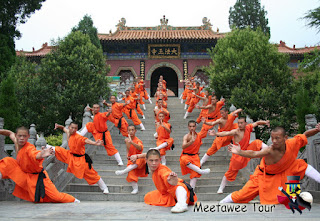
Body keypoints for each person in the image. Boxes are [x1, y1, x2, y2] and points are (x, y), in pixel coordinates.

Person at [220, 124, 320, 204]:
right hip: (264, 175)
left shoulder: (292, 143)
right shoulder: (270, 150)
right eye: (272, 138)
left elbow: (305, 134)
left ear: (285, 138)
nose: (274, 141)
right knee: (242, 195)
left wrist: (317, 130)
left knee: (299, 165)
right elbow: (255, 153)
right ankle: (224, 201)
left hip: (285, 170)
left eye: (277, 138)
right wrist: (240, 152)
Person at [0, 127, 78, 203]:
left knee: (56, 197)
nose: (21, 138)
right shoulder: (16, 141)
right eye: (19, 136)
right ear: (16, 135)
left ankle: (73, 199)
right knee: (7, 161)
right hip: (25, 175)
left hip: (39, 177)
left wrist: (41, 154)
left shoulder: (29, 148)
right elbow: (9, 133)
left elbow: (34, 155)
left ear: (28, 137)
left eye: (24, 136)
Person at [207, 117, 270, 193]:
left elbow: (257, 123)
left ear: (245, 123)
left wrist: (265, 122)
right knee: (230, 173)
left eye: (241, 123)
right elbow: (226, 133)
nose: (239, 125)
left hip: (246, 151)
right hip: (237, 156)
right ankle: (221, 188)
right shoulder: (236, 131)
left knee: (256, 142)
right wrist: (216, 133)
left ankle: (268, 149)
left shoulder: (248, 127)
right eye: (239, 123)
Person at [132, 149, 197, 213]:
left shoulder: (162, 170)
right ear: (146, 160)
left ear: (160, 160)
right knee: (148, 196)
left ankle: (182, 204)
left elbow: (165, 175)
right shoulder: (152, 161)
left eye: (156, 160)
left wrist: (171, 180)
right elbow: (150, 154)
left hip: (181, 191)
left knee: (178, 186)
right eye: (151, 160)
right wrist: (137, 156)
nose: (154, 163)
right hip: (166, 193)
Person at [54, 122, 110, 194]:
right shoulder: (68, 132)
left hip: (81, 159)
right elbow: (63, 128)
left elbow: (86, 140)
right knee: (59, 150)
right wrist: (58, 126)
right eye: (72, 128)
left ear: (77, 129)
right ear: (69, 128)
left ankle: (104, 187)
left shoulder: (78, 136)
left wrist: (95, 143)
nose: (74, 129)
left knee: (92, 173)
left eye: (75, 128)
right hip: (71, 155)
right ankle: (46, 147)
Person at [114, 125, 148, 194]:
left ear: (135, 131)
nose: (131, 131)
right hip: (131, 160)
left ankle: (123, 171)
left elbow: (140, 148)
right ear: (127, 131)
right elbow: (127, 148)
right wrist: (127, 154)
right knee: (131, 175)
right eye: (129, 130)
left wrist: (132, 142)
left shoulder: (138, 140)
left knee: (137, 161)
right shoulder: (126, 140)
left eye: (132, 130)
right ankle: (135, 189)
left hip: (139, 159)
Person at [180, 120, 211, 189]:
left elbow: (198, 144)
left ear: (195, 127)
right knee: (183, 159)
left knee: (195, 175)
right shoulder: (186, 136)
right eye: (190, 126)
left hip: (195, 156)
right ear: (188, 127)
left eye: (193, 126)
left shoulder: (199, 135)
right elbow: (183, 146)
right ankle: (200, 171)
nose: (192, 128)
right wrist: (191, 142)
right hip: (186, 156)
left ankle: (191, 191)